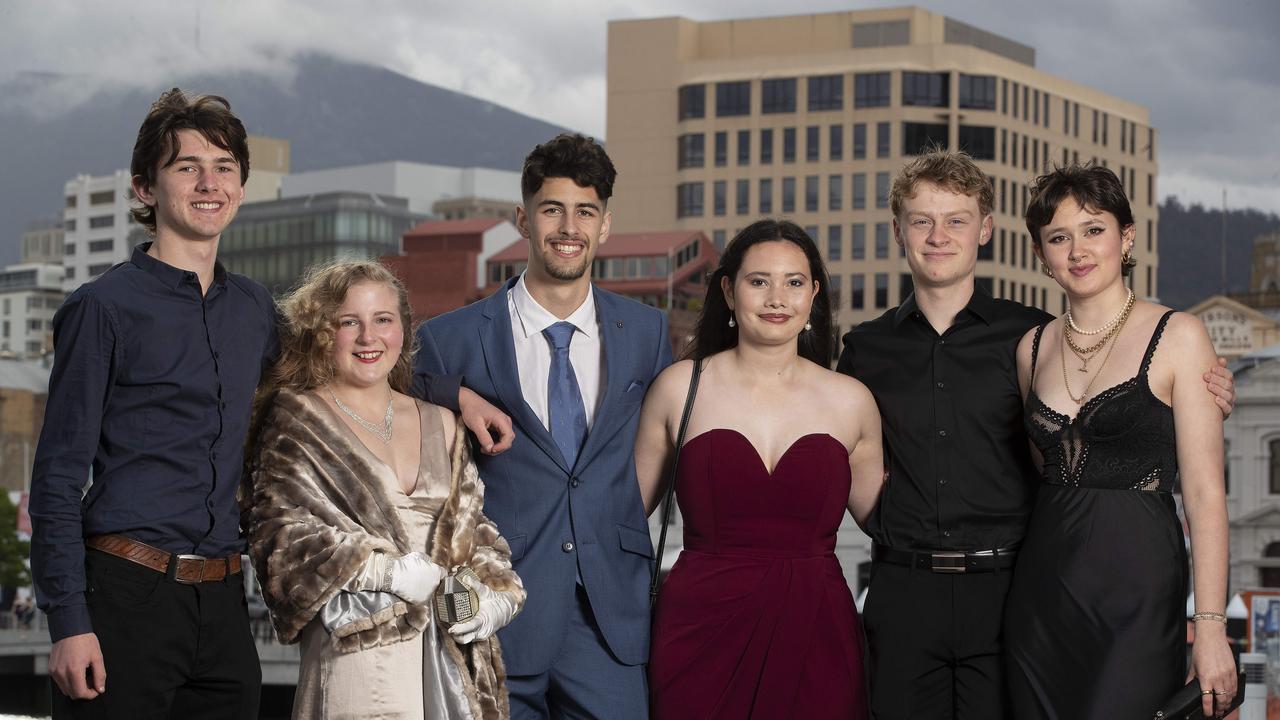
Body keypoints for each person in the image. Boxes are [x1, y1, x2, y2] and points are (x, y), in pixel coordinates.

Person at [836, 149, 1235, 719]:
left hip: (1064, 579)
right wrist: (888, 520)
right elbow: (840, 439)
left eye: (956, 219)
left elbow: (1188, 484)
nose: (939, 236)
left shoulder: (1041, 335)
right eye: (922, 220)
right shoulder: (883, 348)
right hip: (965, 586)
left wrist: (1210, 392)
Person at [27, 88, 271, 718]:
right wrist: (68, 621)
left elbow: (344, 370)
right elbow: (56, 476)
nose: (208, 183)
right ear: (145, 188)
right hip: (123, 597)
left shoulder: (254, 309)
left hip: (223, 606)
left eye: (224, 168)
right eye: (186, 167)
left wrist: (452, 394)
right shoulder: (103, 308)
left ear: (242, 187)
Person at [414, 133, 672, 719]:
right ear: (522, 220)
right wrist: (454, 392)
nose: (568, 227)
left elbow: (667, 435)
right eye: (551, 209)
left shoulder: (647, 332)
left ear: (605, 225)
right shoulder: (451, 338)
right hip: (497, 605)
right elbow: (382, 387)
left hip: (608, 612)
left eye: (585, 212)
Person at [244, 261, 525, 719]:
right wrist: (381, 572)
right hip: (356, 657)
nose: (368, 338)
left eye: (383, 320)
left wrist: (493, 597)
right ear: (321, 331)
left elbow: (476, 533)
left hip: (450, 667)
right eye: (348, 322)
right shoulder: (298, 419)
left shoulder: (444, 421)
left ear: (403, 329)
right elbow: (278, 539)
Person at [1003, 164, 1236, 718]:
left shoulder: (1179, 335)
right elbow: (1045, 473)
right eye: (1059, 237)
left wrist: (1209, 628)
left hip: (1138, 594)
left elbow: (1205, 497)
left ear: (1126, 237)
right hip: (1042, 597)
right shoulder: (1030, 349)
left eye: (1093, 229)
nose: (1077, 250)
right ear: (1041, 254)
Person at [636, 219, 881, 718]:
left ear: (813, 295)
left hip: (819, 629)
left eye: (794, 282)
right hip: (698, 629)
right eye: (758, 281)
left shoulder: (852, 400)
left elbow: (891, 520)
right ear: (728, 291)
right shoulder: (678, 388)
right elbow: (623, 516)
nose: (777, 298)